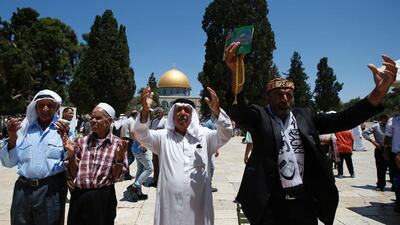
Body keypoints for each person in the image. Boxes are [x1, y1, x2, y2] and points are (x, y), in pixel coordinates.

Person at [225, 41, 397, 225]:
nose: (284, 98)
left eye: (289, 94)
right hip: (271, 204)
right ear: (268, 97)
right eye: (279, 94)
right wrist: (236, 73)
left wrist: (378, 93)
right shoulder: (260, 117)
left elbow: (343, 119)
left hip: (303, 204)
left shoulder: (305, 116)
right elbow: (239, 111)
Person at [134, 87, 232, 225]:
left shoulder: (205, 136)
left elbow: (226, 133)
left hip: (198, 205)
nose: (182, 113)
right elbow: (141, 135)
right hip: (170, 207)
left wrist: (217, 111)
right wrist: (145, 111)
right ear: (172, 115)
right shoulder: (163, 137)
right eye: (178, 110)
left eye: (187, 110)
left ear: (193, 117)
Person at [0, 89, 72, 225]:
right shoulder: (23, 130)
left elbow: (71, 159)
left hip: (51, 191)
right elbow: (9, 163)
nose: (45, 109)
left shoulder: (64, 130)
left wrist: (66, 142)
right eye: (41, 105)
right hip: (22, 190)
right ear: (35, 108)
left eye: (50, 105)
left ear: (56, 107)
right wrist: (12, 138)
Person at [58, 103, 129, 225]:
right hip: (80, 196)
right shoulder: (81, 141)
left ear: (109, 121)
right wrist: (71, 156)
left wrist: (120, 157)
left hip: (103, 198)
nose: (93, 121)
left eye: (98, 118)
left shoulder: (118, 144)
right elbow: (75, 174)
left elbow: (116, 177)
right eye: (92, 118)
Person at [362, 114, 390, 191]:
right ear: (382, 119)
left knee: (393, 168)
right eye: (386, 119)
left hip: (391, 149)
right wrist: (373, 142)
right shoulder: (375, 126)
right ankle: (380, 185)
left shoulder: (391, 126)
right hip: (380, 149)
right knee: (381, 168)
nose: (388, 121)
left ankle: (395, 185)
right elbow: (364, 133)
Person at [126, 131, 153, 202]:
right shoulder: (138, 122)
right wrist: (141, 144)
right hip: (140, 150)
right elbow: (132, 133)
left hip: (138, 149)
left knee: (140, 169)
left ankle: (138, 192)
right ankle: (134, 186)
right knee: (149, 168)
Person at [385, 112, 400, 212]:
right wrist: (386, 150)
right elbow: (388, 136)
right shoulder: (393, 120)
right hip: (397, 154)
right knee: (397, 179)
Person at [148, 107, 167, 187]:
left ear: (163, 112)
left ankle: (163, 181)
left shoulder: (166, 121)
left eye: (160, 112)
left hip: (162, 145)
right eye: (157, 113)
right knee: (155, 163)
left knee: (162, 164)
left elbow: (167, 133)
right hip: (154, 144)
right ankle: (155, 180)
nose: (158, 114)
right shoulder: (154, 121)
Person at [120, 110, 138, 180]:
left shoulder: (126, 120)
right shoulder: (132, 121)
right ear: (136, 115)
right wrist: (135, 140)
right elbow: (132, 132)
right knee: (131, 158)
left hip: (124, 139)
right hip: (129, 140)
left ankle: (127, 175)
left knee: (127, 157)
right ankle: (122, 170)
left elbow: (121, 131)